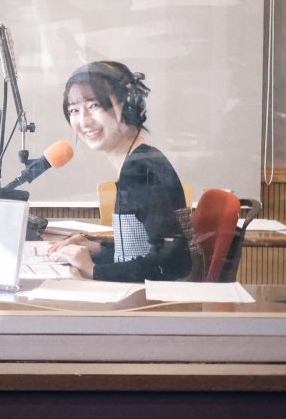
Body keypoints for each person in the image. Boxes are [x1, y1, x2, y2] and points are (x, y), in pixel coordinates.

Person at [48, 60, 192, 282]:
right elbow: (141, 250)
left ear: (128, 107)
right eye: (74, 110)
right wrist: (96, 248)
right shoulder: (140, 161)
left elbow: (173, 263)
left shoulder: (140, 169)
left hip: (148, 301)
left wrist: (93, 270)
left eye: (95, 106)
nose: (84, 121)